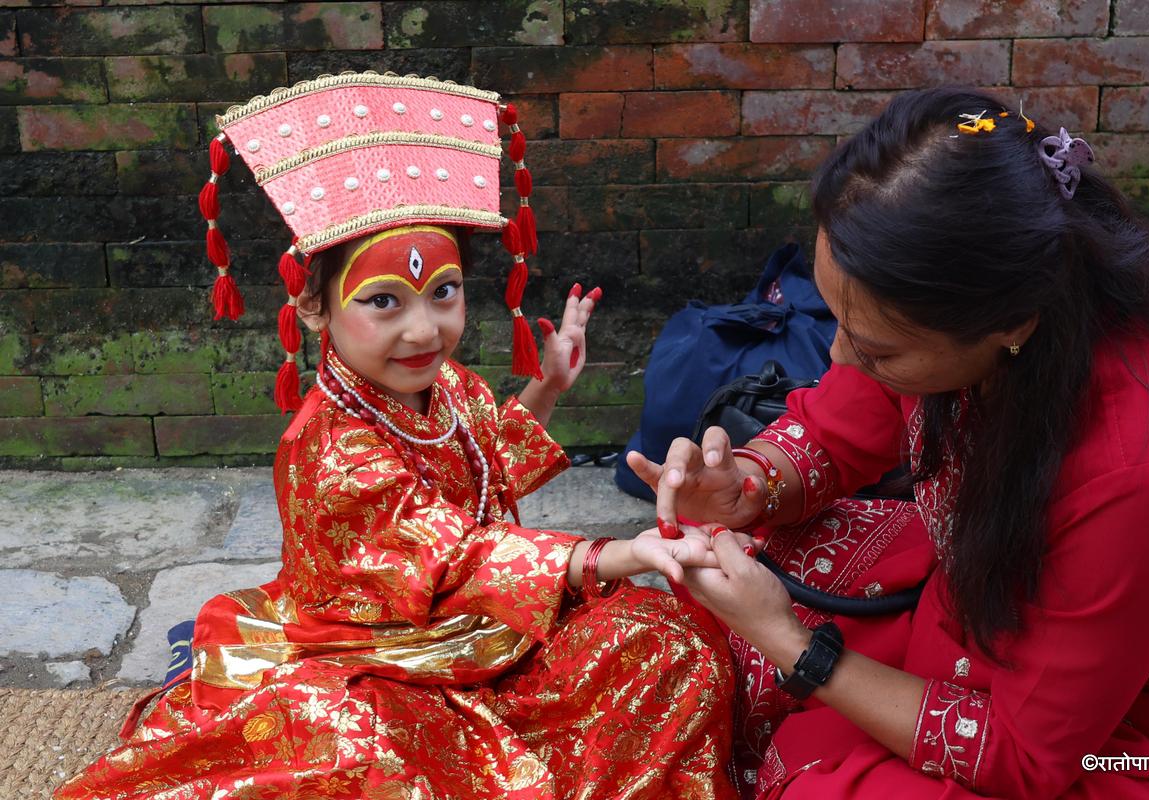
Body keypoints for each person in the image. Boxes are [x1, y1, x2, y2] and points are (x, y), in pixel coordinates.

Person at [57, 72, 739, 800]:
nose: (424, 329)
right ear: (313, 308)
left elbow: (485, 462)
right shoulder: (330, 445)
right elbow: (456, 552)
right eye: (383, 301)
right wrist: (618, 551)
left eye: (443, 292)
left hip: (484, 626)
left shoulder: (442, 385)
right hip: (375, 651)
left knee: (672, 642)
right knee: (373, 763)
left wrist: (548, 386)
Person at [629, 87, 1149, 799]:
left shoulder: (1146, 472)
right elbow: (846, 416)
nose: (837, 353)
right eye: (834, 314)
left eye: (876, 347)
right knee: (740, 570)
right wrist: (744, 483)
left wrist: (794, 649)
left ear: (1010, 323)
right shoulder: (975, 311)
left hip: (1113, 750)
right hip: (966, 626)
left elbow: (1028, 758)